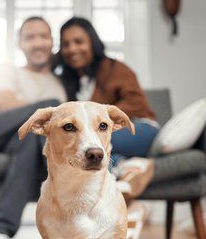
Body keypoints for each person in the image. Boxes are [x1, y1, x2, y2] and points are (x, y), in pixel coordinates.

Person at [0, 16, 67, 239]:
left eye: (43, 36)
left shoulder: (58, 84)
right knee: (52, 107)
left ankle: (0, 232)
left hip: (22, 142)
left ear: (52, 42)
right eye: (30, 37)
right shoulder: (7, 70)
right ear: (20, 44)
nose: (38, 43)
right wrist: (48, 112)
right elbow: (5, 102)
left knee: (29, 140)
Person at [55, 17, 160, 200]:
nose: (72, 49)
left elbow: (137, 103)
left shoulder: (115, 68)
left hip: (140, 128)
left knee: (88, 144)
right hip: (102, 136)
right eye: (66, 44)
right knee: (94, 151)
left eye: (79, 42)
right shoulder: (67, 81)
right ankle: (127, 169)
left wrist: (101, 117)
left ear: (92, 43)